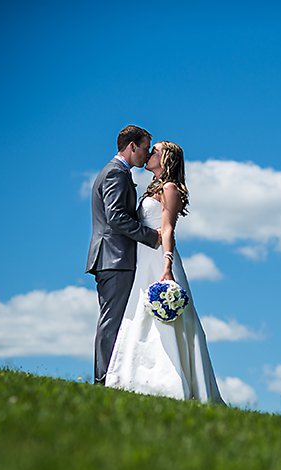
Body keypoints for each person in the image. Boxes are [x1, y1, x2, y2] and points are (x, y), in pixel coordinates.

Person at [104, 140, 225, 404]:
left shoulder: (170, 188)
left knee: (169, 322)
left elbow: (168, 229)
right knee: (141, 317)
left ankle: (173, 381)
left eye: (156, 151)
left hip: (159, 258)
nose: (150, 153)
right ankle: (136, 378)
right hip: (144, 259)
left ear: (167, 158)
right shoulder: (153, 188)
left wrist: (167, 266)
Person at [86, 125, 161, 386]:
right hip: (114, 258)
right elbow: (116, 216)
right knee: (112, 321)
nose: (147, 154)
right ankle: (103, 380)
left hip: (115, 258)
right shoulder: (115, 173)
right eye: (145, 148)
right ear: (132, 146)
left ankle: (111, 378)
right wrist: (151, 236)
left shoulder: (118, 172)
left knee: (116, 320)